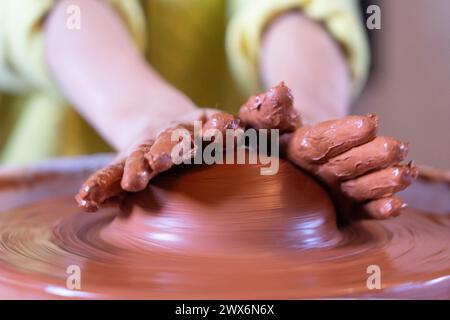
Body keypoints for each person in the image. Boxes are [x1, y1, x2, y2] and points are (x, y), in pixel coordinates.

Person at [1, 0, 412, 219]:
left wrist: (308, 120)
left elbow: (298, 7)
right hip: (43, 182)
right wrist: (147, 115)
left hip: (263, 182)